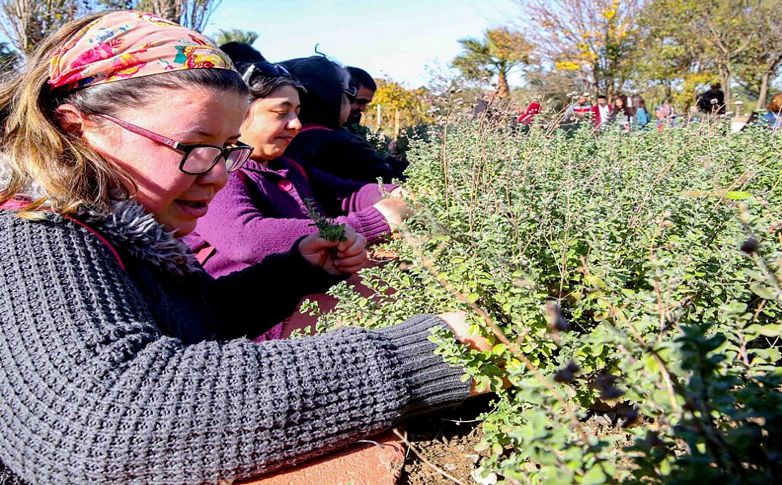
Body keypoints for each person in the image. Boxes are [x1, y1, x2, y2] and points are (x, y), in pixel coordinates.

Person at [0, 11, 484, 484]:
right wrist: (434, 350)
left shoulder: (129, 231)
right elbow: (97, 422)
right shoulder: (31, 235)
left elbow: (191, 322)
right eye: (195, 146)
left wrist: (292, 272)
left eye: (230, 148)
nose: (220, 173)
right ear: (77, 127)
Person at [186, 48, 409, 279]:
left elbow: (346, 194)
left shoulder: (287, 166)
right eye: (281, 112)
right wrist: (375, 220)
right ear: (238, 113)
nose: (296, 124)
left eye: (297, 112)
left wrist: (402, 193)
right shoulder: (220, 170)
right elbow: (246, 238)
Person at [283, 56, 407, 183]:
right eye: (349, 93)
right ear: (332, 96)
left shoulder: (284, 138)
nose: (360, 108)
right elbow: (392, 183)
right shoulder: (344, 145)